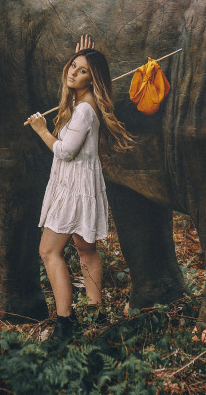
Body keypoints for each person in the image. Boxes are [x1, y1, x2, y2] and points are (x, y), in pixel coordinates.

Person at [26, 35, 132, 343]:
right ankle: (96, 315)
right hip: (82, 182)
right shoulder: (80, 101)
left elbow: (65, 151)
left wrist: (41, 130)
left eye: (82, 70)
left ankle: (65, 322)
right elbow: (75, 92)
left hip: (74, 186)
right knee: (86, 250)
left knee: (48, 251)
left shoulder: (85, 110)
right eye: (72, 66)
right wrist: (82, 60)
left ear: (92, 79)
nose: (73, 72)